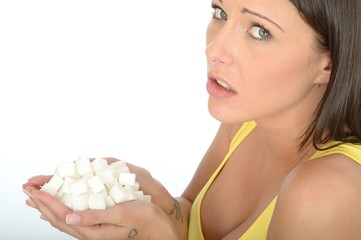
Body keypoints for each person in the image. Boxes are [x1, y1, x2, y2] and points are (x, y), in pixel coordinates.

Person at [23, 0, 361, 239]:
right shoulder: (246, 121)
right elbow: (190, 224)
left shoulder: (327, 193)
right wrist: (159, 203)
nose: (214, 49)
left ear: (329, 63)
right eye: (220, 12)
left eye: (259, 31)